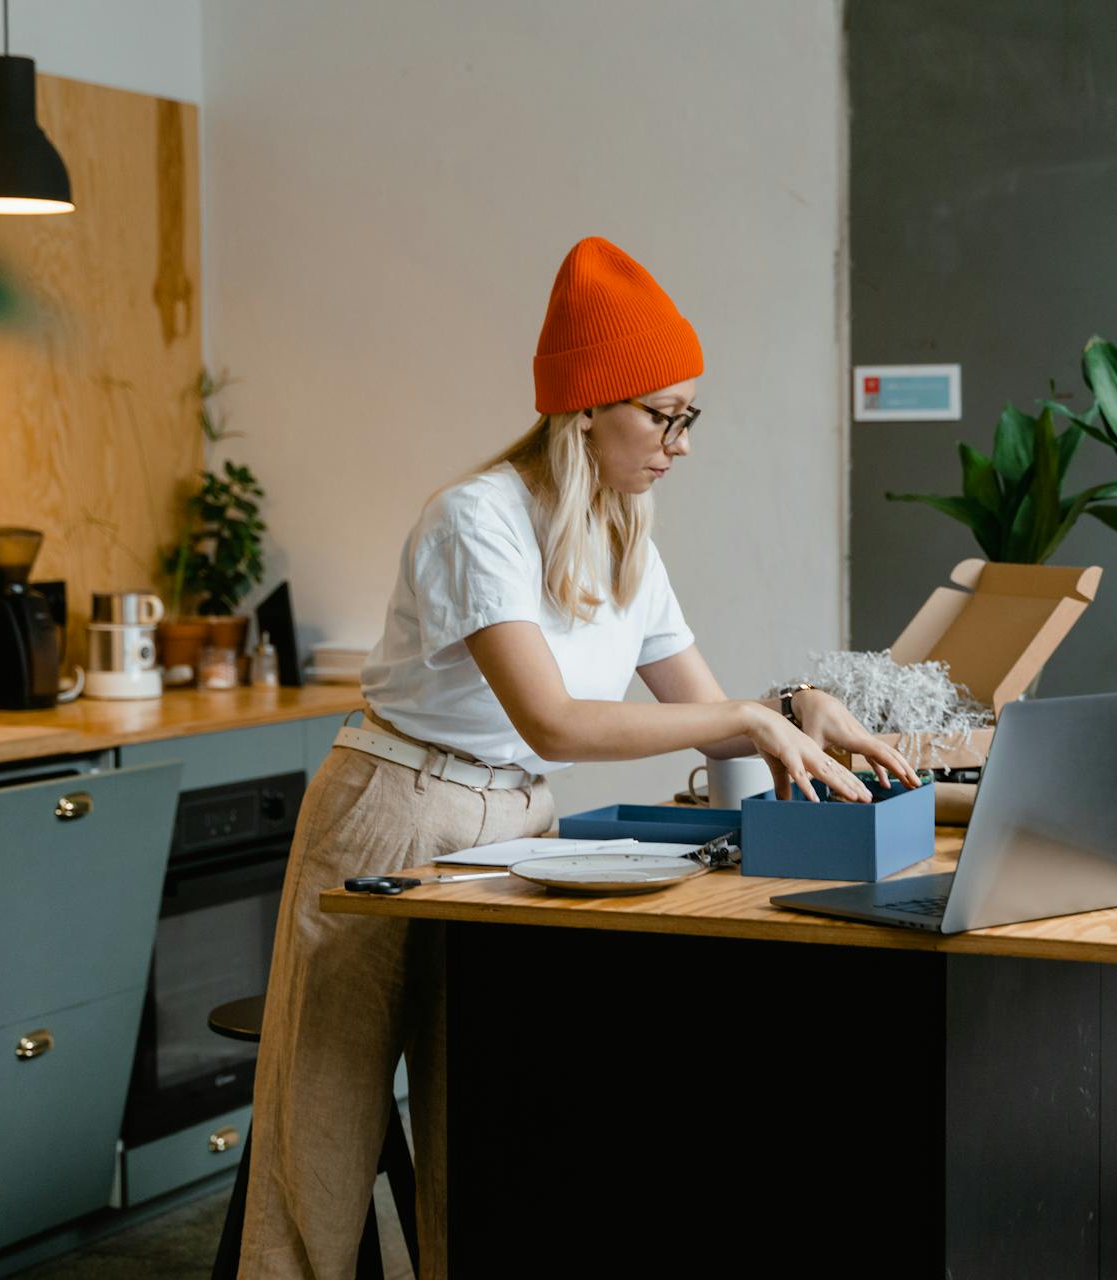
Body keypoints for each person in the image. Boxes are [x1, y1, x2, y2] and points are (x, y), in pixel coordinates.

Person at [239, 236, 918, 1276]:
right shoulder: (479, 519)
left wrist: (795, 709)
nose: (680, 442)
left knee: (486, 1111)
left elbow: (701, 704)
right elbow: (557, 718)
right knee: (324, 1130)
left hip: (517, 825)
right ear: (588, 406)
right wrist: (747, 716)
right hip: (395, 807)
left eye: (690, 416)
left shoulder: (626, 539)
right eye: (664, 413)